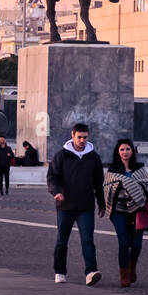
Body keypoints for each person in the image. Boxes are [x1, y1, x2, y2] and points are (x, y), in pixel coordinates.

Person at [46, 122, 106, 286]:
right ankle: (60, 272)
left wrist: (101, 204)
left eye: (85, 137)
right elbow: (52, 177)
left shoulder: (93, 156)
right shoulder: (61, 156)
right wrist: (56, 191)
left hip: (85, 207)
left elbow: (98, 182)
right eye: (79, 137)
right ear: (72, 136)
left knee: (88, 240)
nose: (82, 140)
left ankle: (91, 272)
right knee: (61, 241)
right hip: (65, 206)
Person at [103, 138, 148, 287]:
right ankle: (124, 275)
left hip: (138, 210)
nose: (125, 152)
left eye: (128, 149)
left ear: (132, 151)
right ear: (118, 152)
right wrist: (128, 186)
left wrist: (130, 186)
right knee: (124, 243)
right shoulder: (113, 170)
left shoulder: (140, 168)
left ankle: (132, 267)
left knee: (137, 245)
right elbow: (107, 187)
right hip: (118, 210)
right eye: (122, 149)